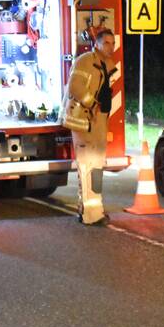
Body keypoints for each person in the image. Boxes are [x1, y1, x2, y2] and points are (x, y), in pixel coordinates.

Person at [62, 28, 117, 226]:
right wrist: (92, 104)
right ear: (98, 44)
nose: (111, 47)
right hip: (84, 120)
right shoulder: (86, 61)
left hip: (97, 120)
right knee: (88, 166)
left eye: (113, 43)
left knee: (95, 166)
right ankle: (90, 214)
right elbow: (75, 87)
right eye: (107, 43)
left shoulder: (104, 64)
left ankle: (93, 208)